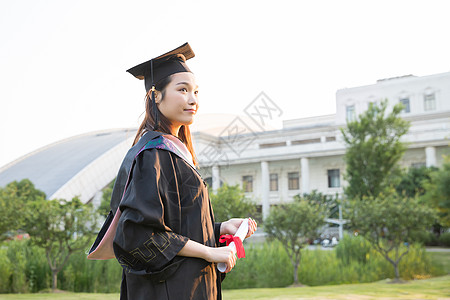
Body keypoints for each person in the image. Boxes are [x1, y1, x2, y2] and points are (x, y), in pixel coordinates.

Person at [111, 42, 258, 300]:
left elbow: (175, 226)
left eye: (196, 92)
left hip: (193, 288)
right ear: (156, 95)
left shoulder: (177, 154)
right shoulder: (152, 155)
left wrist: (220, 228)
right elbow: (141, 235)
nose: (193, 100)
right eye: (183, 90)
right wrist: (208, 252)